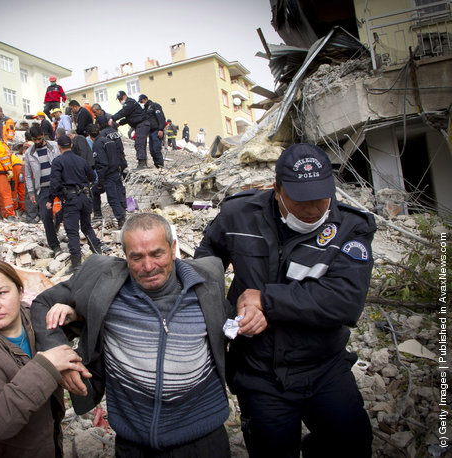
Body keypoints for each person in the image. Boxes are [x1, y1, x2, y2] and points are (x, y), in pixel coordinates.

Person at [195, 143, 376, 457]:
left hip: (324, 366)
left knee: (352, 444)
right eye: (300, 199)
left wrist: (266, 300)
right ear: (276, 190)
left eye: (321, 197)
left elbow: (345, 300)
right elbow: (206, 263)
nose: (313, 209)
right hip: (259, 372)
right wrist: (228, 312)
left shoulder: (350, 227)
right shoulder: (239, 214)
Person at [32, 213, 233, 456]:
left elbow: (236, 320)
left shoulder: (207, 279)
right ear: (124, 255)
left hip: (203, 438)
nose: (148, 267)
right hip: (133, 441)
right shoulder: (102, 279)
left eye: (157, 254)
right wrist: (60, 357)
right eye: (136, 257)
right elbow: (42, 303)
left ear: (173, 248)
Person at [0, 258, 85, 457]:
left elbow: (73, 330)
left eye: (2, 293)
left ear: (20, 291)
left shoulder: (33, 318)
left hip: (45, 441)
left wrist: (74, 316)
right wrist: (46, 367)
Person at [47, 135, 103, 274]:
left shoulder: (58, 162)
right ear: (71, 145)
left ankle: (76, 264)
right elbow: (92, 177)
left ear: (59, 147)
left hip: (71, 200)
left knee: (72, 232)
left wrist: (50, 199)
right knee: (87, 227)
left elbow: (54, 183)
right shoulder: (81, 160)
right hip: (85, 198)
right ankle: (99, 255)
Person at [92, 115, 126, 228]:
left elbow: (102, 162)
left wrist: (100, 180)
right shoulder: (114, 132)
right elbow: (120, 149)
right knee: (119, 192)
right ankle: (123, 212)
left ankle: (120, 219)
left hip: (108, 173)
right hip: (117, 166)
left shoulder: (101, 139)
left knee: (112, 197)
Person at [110, 90, 150, 169]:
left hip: (142, 124)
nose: (120, 101)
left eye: (121, 99)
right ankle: (142, 162)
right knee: (139, 143)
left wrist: (112, 118)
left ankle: (142, 163)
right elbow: (128, 118)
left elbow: (123, 112)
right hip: (140, 125)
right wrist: (119, 123)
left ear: (125, 96)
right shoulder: (130, 104)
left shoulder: (130, 103)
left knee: (139, 143)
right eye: (119, 99)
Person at [138, 94, 165, 168]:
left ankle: (160, 166)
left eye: (142, 101)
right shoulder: (145, 109)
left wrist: (161, 129)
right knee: (152, 150)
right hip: (151, 132)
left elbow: (161, 118)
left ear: (146, 99)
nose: (141, 103)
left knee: (156, 149)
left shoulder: (154, 106)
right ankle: (157, 165)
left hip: (157, 130)